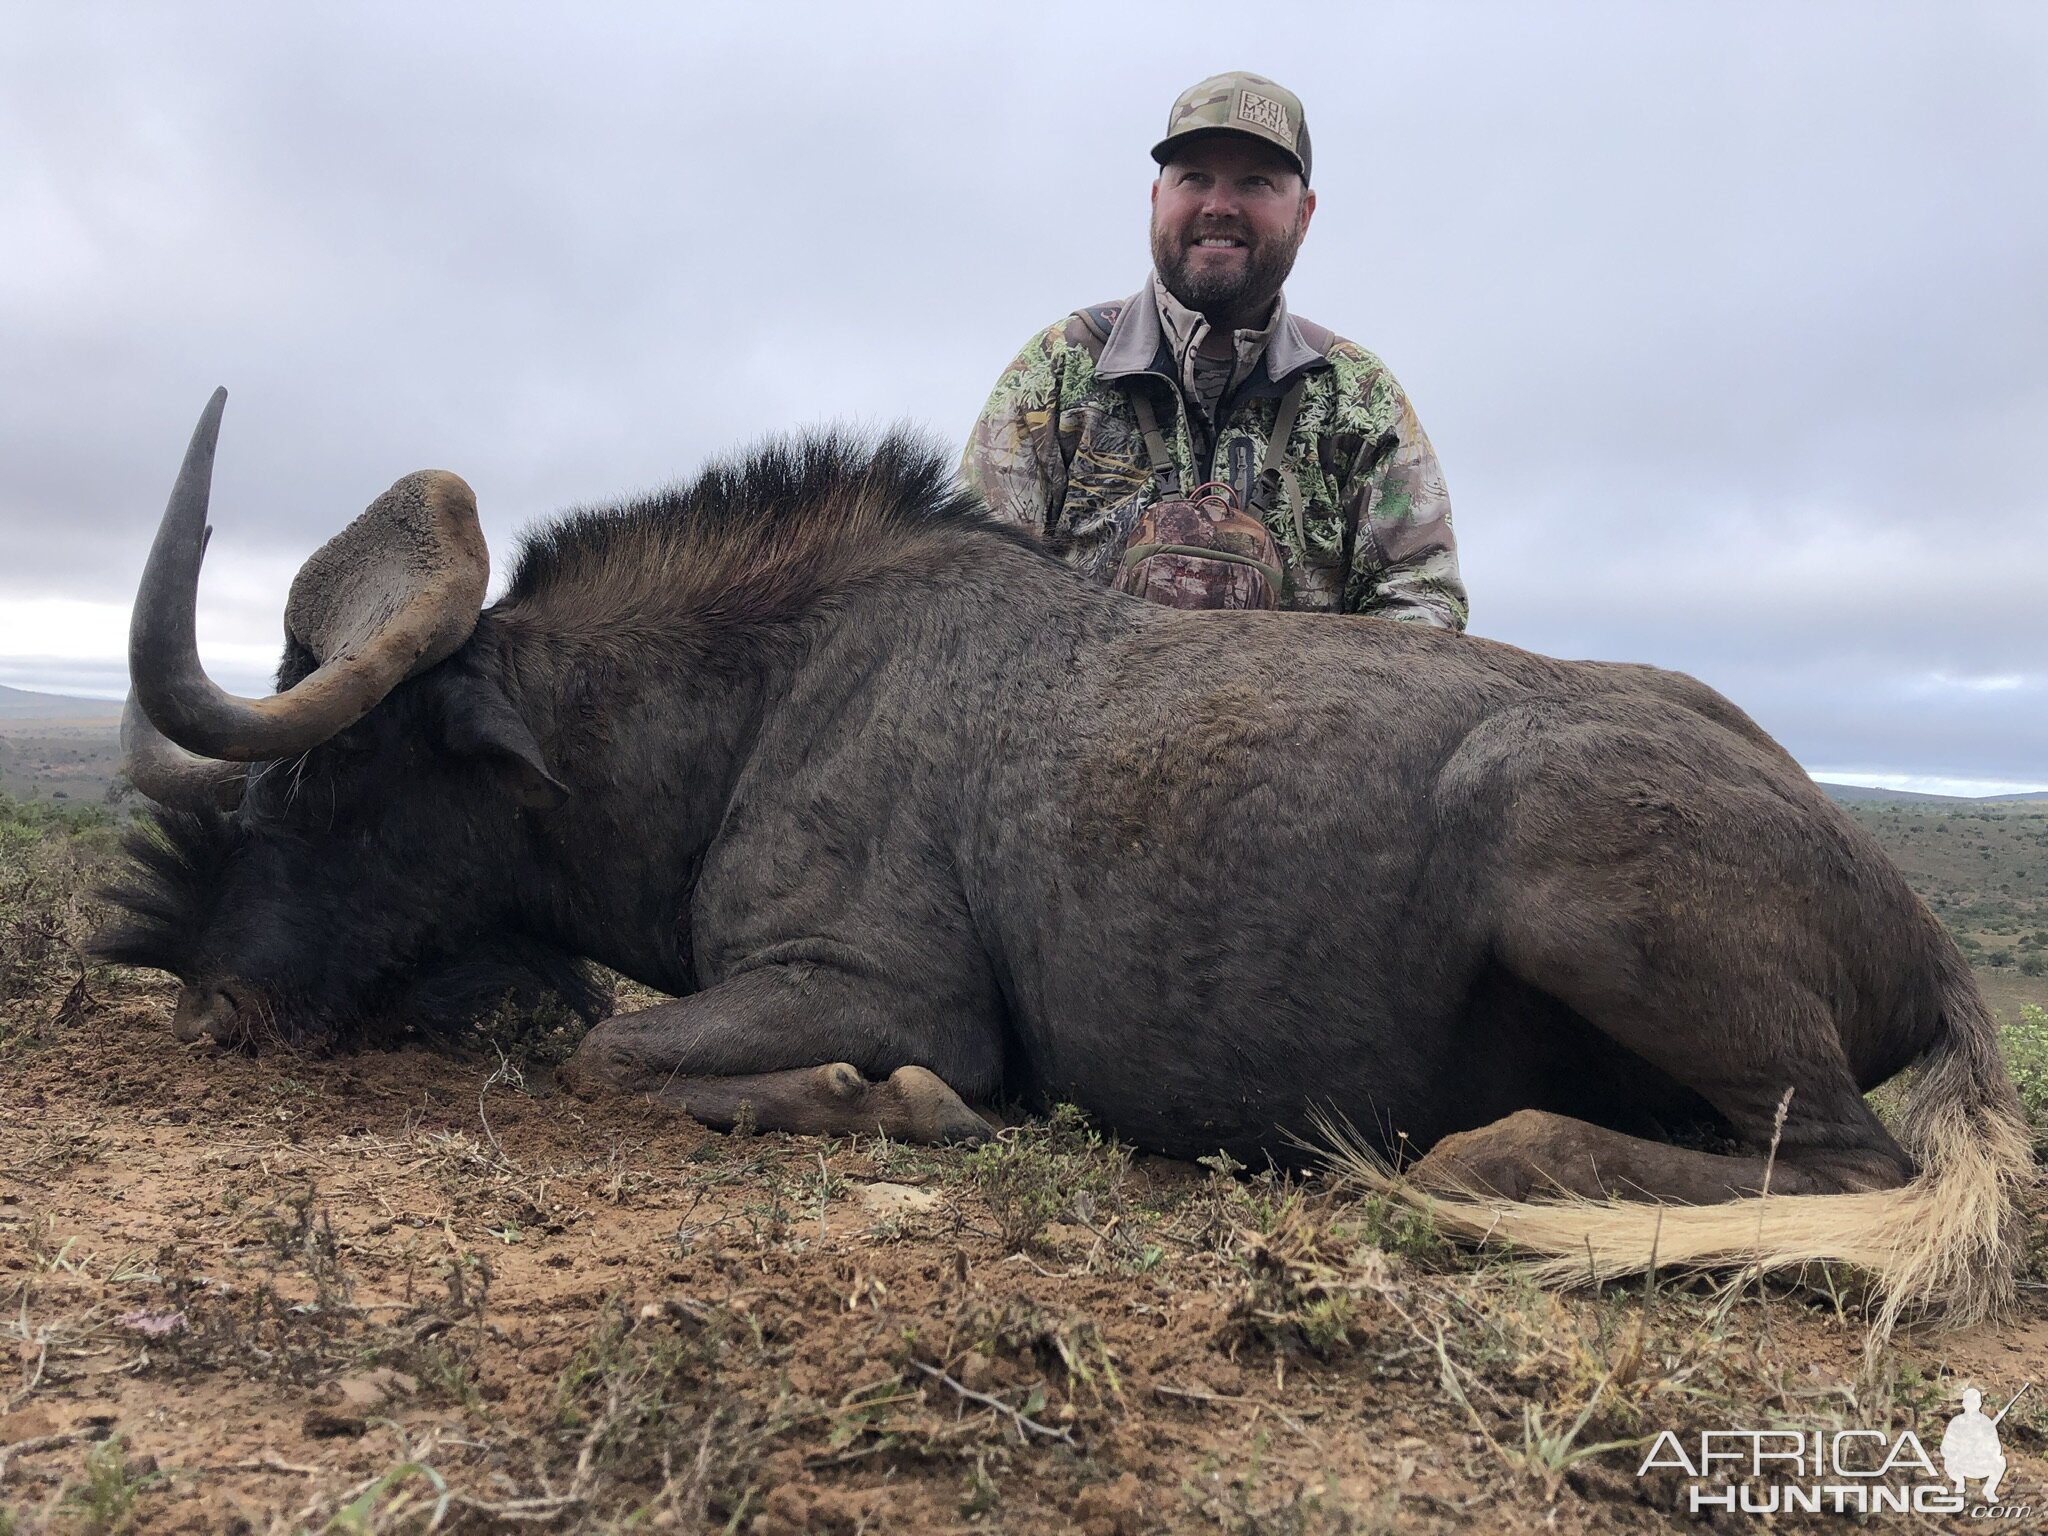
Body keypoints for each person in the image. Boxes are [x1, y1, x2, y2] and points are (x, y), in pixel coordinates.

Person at [962, 71, 1466, 628]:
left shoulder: (1361, 396)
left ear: (1305, 214)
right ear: (1157, 199)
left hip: (1301, 717)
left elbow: (1422, 604)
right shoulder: (1056, 370)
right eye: (1195, 178)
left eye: (1255, 183)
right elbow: (976, 596)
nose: (1219, 205)